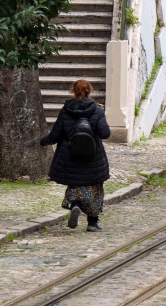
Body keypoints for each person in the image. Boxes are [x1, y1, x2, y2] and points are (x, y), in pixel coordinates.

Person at [40, 79, 111, 231]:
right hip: (93, 158)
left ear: (73, 91)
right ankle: (92, 223)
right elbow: (105, 133)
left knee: (75, 184)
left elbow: (55, 135)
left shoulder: (66, 110)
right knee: (95, 189)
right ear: (89, 91)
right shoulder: (97, 111)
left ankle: (75, 205)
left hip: (70, 157)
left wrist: (42, 142)